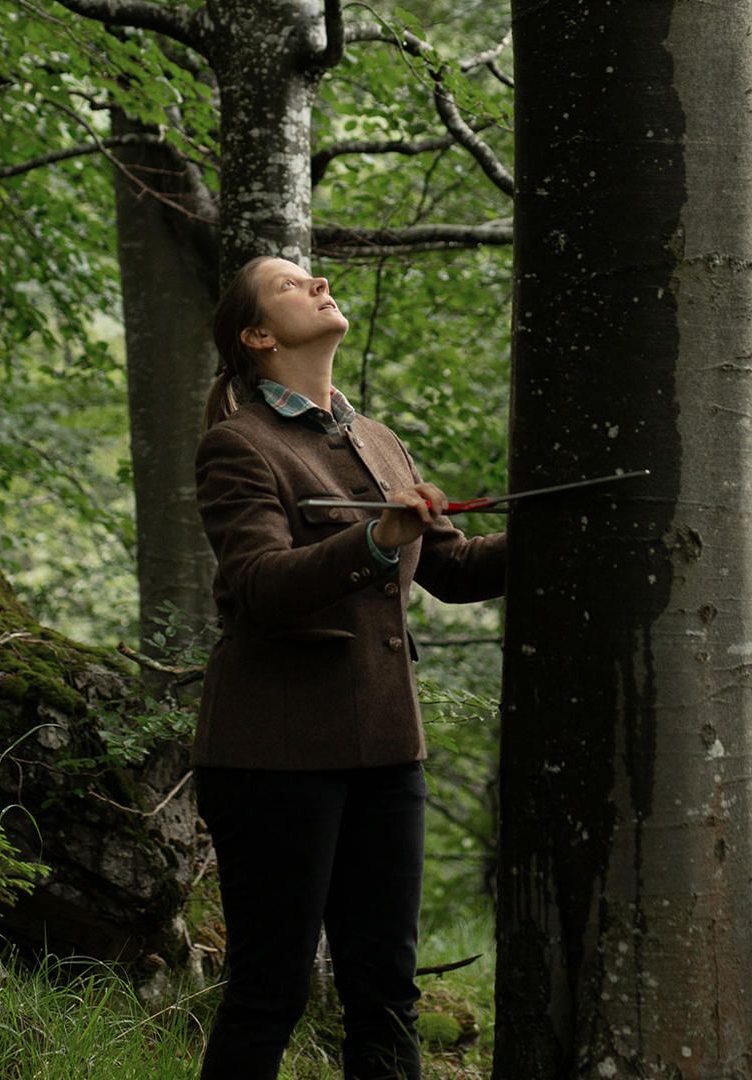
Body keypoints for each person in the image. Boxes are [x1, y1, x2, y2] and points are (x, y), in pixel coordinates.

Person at [192, 255, 508, 1080]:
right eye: (292, 284)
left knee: (386, 995)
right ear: (257, 335)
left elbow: (457, 569)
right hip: (272, 757)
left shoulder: (377, 440)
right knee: (271, 990)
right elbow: (259, 587)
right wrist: (373, 542)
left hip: (388, 756)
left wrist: (564, 537)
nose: (319, 284)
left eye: (316, 278)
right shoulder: (238, 446)